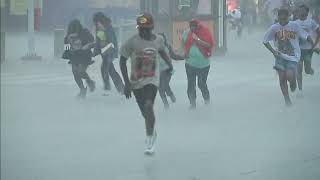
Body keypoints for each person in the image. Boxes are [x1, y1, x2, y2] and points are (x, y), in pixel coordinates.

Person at [119, 13, 173, 154]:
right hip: (136, 82)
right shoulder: (132, 42)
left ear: (152, 28)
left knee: (149, 106)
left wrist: (169, 64)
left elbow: (162, 51)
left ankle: (149, 141)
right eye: (141, 29)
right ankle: (152, 131)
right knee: (146, 114)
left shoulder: (158, 40)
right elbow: (122, 60)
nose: (144, 32)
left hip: (152, 80)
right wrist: (126, 83)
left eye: (147, 29)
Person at [263, 8, 314, 106]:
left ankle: (293, 82)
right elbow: (265, 41)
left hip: (293, 57)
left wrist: (313, 44)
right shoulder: (274, 28)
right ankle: (287, 100)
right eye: (280, 18)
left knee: (289, 76)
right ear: (278, 17)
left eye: (284, 18)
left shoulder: (294, 25)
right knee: (282, 78)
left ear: (288, 17)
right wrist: (273, 51)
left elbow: (305, 35)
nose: (282, 20)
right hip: (280, 57)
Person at [182, 18, 214, 109]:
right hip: (190, 64)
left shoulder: (205, 32)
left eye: (195, 27)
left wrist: (197, 40)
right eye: (191, 27)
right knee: (191, 85)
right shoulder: (186, 33)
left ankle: (207, 101)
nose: (193, 29)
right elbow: (183, 44)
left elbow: (209, 45)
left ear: (198, 26)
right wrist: (182, 53)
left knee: (201, 84)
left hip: (203, 65)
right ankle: (192, 104)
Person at [63, 19, 96, 98]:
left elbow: (92, 41)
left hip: (85, 55)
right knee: (75, 72)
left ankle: (89, 81)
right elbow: (65, 42)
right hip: (75, 56)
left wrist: (87, 46)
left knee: (81, 71)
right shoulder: (70, 34)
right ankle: (82, 89)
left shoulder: (85, 32)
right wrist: (69, 38)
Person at [93, 12, 124, 94]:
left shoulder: (108, 27)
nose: (96, 24)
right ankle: (117, 88)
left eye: (97, 22)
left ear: (101, 20)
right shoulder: (98, 28)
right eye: (95, 23)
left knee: (107, 69)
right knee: (107, 69)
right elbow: (98, 41)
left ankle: (119, 88)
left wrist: (111, 52)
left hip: (110, 52)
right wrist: (95, 52)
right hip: (104, 53)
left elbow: (112, 41)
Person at [295, 4, 320, 97]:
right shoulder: (295, 22)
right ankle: (300, 90)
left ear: (306, 12)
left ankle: (310, 70)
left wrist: (315, 44)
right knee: (299, 69)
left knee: (307, 70)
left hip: (308, 49)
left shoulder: (311, 22)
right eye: (299, 10)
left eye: (302, 10)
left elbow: (318, 31)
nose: (301, 12)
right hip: (298, 50)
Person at [158, 33, 185, 109]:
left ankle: (166, 105)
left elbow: (174, 56)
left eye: (161, 39)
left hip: (168, 71)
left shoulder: (167, 47)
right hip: (157, 72)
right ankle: (171, 97)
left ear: (164, 40)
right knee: (163, 87)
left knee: (162, 88)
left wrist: (183, 57)